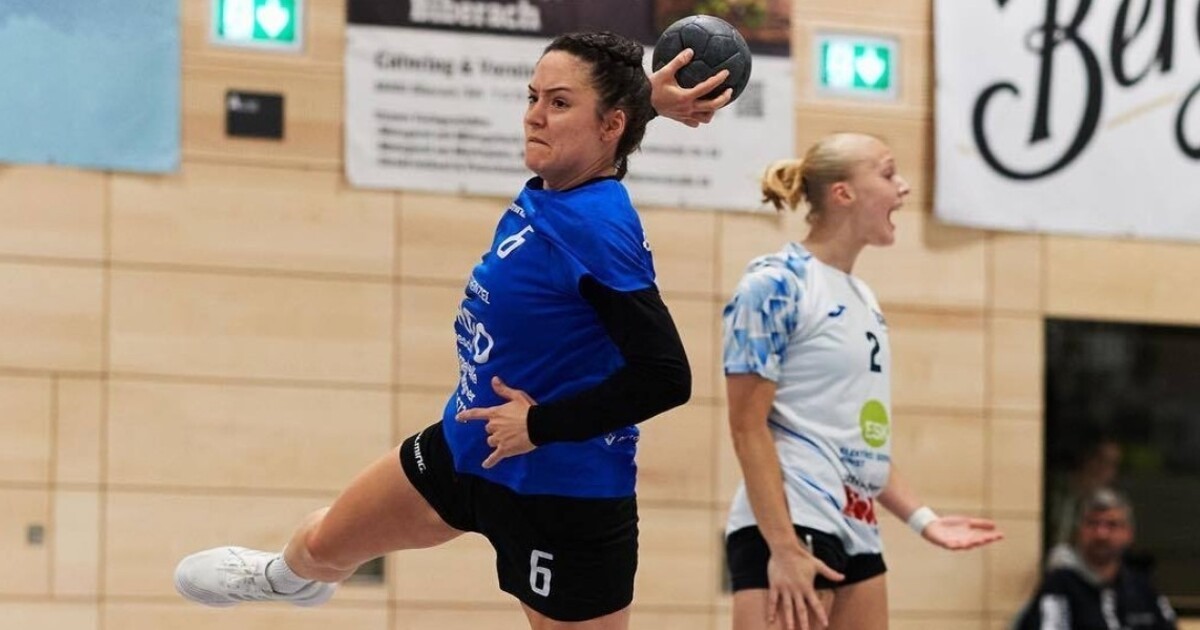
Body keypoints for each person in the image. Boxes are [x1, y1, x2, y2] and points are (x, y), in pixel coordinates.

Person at [173, 32, 731, 629]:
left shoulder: (599, 230)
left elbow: (665, 378)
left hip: (563, 493)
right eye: (532, 97)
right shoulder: (556, 185)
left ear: (609, 125)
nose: (534, 117)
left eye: (558, 103)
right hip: (465, 447)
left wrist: (540, 426)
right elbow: (602, 120)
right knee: (318, 548)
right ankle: (286, 583)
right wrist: (647, 100)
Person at [721, 134, 1005, 630]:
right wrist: (783, 546)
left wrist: (924, 519)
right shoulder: (776, 284)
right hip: (795, 518)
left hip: (858, 524)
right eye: (888, 173)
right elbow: (747, 426)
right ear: (843, 193)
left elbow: (857, 439)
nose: (904, 187)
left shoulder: (863, 297)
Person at [1016, 488, 1177, 629]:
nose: (1101, 534)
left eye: (1112, 525)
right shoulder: (1060, 585)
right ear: (1079, 531)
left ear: (1128, 533)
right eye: (1093, 524)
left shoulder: (1142, 587)